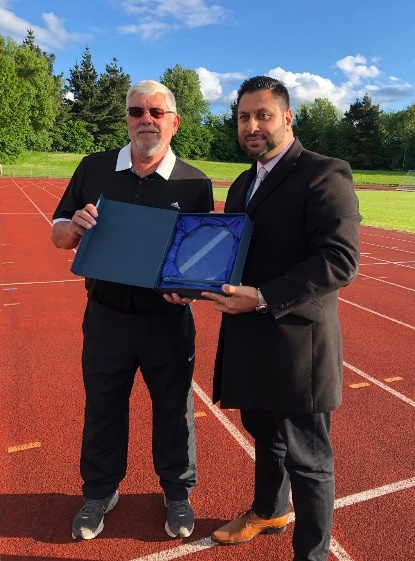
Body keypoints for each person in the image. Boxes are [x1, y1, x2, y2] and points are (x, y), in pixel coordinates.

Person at [201, 76, 361, 561]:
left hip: (298, 346)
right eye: (243, 117)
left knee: (309, 460)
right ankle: (269, 509)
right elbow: (237, 254)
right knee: (265, 436)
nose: (251, 126)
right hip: (251, 337)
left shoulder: (323, 173)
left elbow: (339, 260)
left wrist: (265, 296)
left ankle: (310, 554)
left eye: (262, 115)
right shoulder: (245, 182)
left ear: (287, 118)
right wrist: (192, 283)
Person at [51, 80, 214, 541]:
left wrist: (191, 290)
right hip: (106, 318)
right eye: (137, 111)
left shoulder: (195, 182)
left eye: (156, 113)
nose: (147, 119)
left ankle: (178, 494)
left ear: (174, 122)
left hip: (167, 323)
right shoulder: (93, 168)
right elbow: (59, 234)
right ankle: (99, 493)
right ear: (127, 118)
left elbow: (198, 259)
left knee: (174, 409)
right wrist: (74, 228)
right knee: (103, 407)